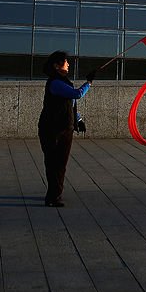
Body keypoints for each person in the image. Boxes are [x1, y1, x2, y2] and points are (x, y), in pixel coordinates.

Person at [39, 50, 94, 207]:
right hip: (51, 129)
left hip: (65, 128)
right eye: (65, 61)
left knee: (61, 163)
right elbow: (77, 95)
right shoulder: (55, 83)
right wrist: (88, 83)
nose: (68, 64)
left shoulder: (63, 81)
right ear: (56, 66)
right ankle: (52, 197)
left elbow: (70, 104)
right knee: (53, 163)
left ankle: (55, 193)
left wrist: (79, 119)